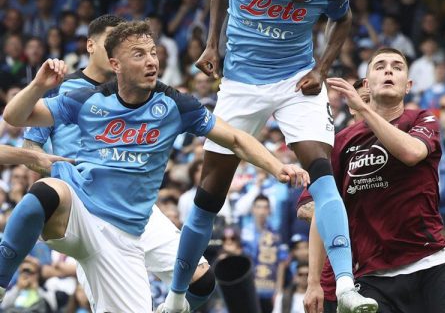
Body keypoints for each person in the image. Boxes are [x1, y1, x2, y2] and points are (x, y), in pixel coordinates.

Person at [0, 21, 308, 313]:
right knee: (46, 192)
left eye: (153, 52)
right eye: (139, 54)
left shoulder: (175, 104)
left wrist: (277, 166)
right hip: (81, 209)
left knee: (201, 282)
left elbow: (237, 139)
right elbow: (15, 117)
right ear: (115, 64)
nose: (151, 61)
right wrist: (38, 85)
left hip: (129, 231)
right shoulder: (87, 100)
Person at [162, 0, 377, 313]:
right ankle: (177, 297)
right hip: (241, 85)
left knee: (322, 173)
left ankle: (345, 287)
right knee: (209, 193)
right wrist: (213, 43)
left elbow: (342, 22)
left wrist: (321, 68)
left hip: (296, 83)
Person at [21, 15, 217, 310]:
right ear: (91, 46)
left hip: (136, 206)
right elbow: (29, 146)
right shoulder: (63, 89)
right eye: (112, 43)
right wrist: (68, 173)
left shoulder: (139, 91)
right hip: (87, 210)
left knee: (201, 280)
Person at [300, 48, 445, 313]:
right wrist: (313, 281)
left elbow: (412, 153)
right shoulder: (339, 144)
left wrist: (363, 107)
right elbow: (322, 209)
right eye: (380, 66)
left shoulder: (422, 119)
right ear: (367, 84)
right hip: (369, 277)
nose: (389, 70)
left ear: (408, 86)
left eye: (397, 67)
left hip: (427, 264)